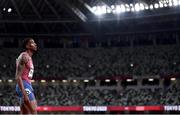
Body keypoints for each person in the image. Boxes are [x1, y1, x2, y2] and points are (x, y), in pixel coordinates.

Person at [15, 38, 37, 114]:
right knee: (34, 111)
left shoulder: (29, 58)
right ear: (27, 46)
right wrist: (24, 93)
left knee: (25, 113)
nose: (35, 44)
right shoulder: (24, 56)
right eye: (32, 43)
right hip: (24, 86)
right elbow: (18, 76)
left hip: (27, 86)